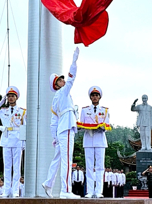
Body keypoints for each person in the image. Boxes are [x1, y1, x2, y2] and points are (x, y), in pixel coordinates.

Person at [42, 47, 81, 199]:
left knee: (58, 158)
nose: (63, 80)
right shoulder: (63, 92)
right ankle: (65, 190)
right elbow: (72, 78)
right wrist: (74, 62)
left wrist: (55, 137)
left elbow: (53, 122)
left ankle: (48, 183)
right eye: (60, 80)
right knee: (67, 159)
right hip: (66, 128)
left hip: (61, 130)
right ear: (56, 85)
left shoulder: (56, 99)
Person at [0, 86, 26, 197]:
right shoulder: (3, 111)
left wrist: (24, 143)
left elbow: (25, 127)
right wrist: (1, 101)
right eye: (8, 96)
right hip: (6, 139)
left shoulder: (22, 111)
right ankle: (6, 191)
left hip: (18, 140)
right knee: (7, 167)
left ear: (16, 97)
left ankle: (15, 191)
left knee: (17, 167)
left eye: (12, 96)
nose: (10, 98)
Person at [80, 85, 110, 198]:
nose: (95, 97)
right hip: (88, 139)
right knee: (88, 166)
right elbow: (81, 124)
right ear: (90, 97)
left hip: (100, 139)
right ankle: (89, 191)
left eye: (96, 95)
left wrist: (101, 127)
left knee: (100, 167)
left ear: (99, 97)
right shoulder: (84, 110)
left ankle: (99, 191)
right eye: (93, 95)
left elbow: (107, 125)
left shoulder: (105, 110)